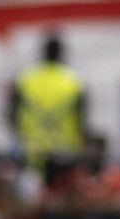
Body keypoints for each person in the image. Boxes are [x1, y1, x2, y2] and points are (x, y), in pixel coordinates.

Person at [8, 32, 87, 179]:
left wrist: (20, 136)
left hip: (32, 149)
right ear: (61, 54)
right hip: (65, 149)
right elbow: (82, 119)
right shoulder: (74, 81)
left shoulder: (26, 79)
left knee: (32, 194)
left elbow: (12, 115)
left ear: (42, 53)